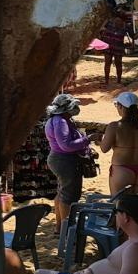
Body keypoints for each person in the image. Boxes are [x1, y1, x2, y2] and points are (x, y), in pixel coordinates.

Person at [45, 93, 93, 233]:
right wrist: (87, 139)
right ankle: (66, 230)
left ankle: (60, 228)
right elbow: (66, 145)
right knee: (69, 196)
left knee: (62, 192)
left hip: (59, 159)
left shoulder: (56, 120)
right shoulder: (61, 121)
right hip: (65, 160)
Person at [101, 91, 138, 198]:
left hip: (122, 169)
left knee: (120, 206)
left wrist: (100, 139)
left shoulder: (115, 126)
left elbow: (104, 148)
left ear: (121, 106)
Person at [100, 11, 133, 86]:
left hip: (118, 47)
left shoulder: (126, 26)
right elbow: (101, 30)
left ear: (123, 21)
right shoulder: (108, 23)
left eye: (119, 21)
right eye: (116, 20)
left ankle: (119, 81)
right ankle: (106, 81)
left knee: (118, 63)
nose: (117, 22)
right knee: (107, 63)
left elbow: (133, 36)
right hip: (108, 46)